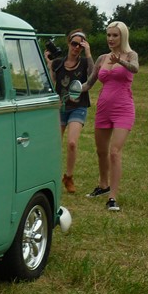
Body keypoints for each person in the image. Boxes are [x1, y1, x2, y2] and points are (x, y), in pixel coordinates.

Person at [86, 21, 139, 211]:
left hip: (123, 108)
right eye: (108, 35)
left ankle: (113, 197)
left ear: (122, 36)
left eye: (115, 35)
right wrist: (72, 91)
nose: (110, 39)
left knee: (114, 152)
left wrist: (120, 61)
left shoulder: (131, 55)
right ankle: (103, 185)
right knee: (101, 151)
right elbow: (89, 83)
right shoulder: (102, 58)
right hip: (103, 109)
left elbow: (135, 68)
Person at [46, 30, 97, 193]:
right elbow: (50, 82)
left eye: (80, 45)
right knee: (55, 144)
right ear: (68, 43)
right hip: (61, 108)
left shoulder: (83, 62)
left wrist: (88, 53)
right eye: (74, 43)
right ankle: (51, 175)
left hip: (78, 106)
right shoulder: (59, 63)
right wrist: (48, 63)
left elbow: (93, 75)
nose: (76, 47)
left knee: (72, 143)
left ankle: (68, 177)